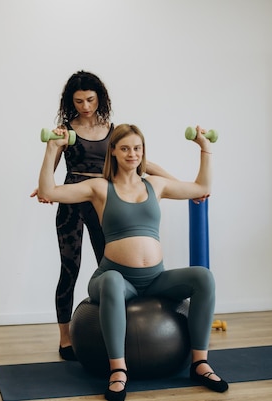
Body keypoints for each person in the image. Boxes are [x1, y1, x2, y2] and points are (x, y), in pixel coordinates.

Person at [38, 124, 228, 400]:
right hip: (113, 277)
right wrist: (51, 148)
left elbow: (202, 187)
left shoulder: (155, 184)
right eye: (125, 148)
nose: (132, 154)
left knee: (203, 277)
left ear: (143, 152)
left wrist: (205, 148)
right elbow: (48, 192)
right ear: (112, 151)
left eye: (137, 148)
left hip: (155, 279)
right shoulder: (99, 187)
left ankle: (199, 363)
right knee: (114, 281)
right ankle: (118, 370)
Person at [30, 71, 177, 361]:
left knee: (112, 271)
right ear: (70, 102)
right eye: (79, 101)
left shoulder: (113, 131)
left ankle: (120, 331)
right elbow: (52, 165)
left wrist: (177, 183)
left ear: (100, 99)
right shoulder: (64, 130)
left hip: (105, 202)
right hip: (73, 202)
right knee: (69, 270)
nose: (85, 106)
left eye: (90, 100)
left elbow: (144, 163)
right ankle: (65, 338)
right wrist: (44, 188)